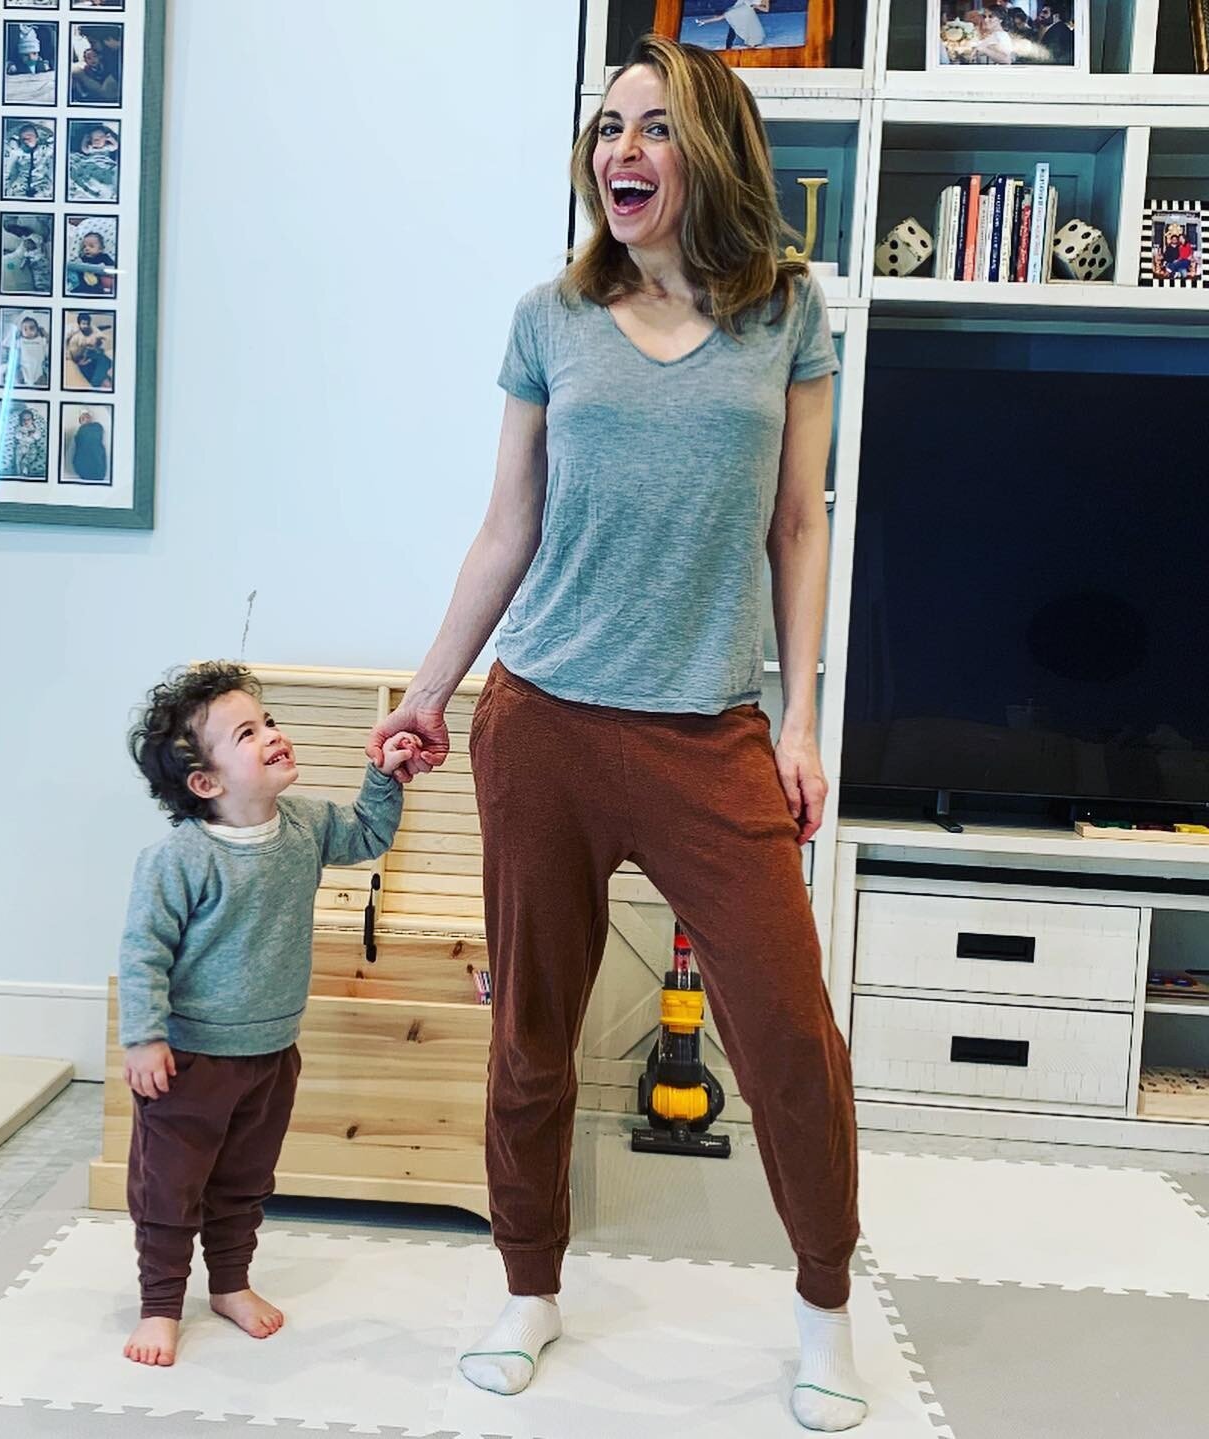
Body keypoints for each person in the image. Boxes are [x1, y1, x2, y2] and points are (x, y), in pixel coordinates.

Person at [366, 34, 863, 1433]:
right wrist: (427, 691)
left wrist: (802, 720)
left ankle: (823, 1303)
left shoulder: (788, 316)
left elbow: (800, 524)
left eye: (653, 128)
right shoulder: (551, 316)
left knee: (787, 1033)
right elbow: (506, 526)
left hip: (710, 734)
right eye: (606, 129)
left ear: (713, 151)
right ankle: (529, 1286)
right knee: (531, 1034)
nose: (619, 154)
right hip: (548, 728)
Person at [117, 662, 419, 1367]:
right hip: (188, 1062)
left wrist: (387, 774)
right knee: (169, 1189)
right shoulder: (179, 860)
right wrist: (145, 1036)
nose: (273, 735)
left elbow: (369, 832)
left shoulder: (306, 824)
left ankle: (229, 1283)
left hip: (272, 1052)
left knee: (245, 1181)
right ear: (206, 782)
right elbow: (142, 952)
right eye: (248, 732)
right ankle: (161, 1304)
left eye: (269, 721)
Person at [3, 122, 54, 200]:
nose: (27, 141)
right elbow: (8, 173)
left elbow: (52, 135)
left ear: (37, 137)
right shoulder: (17, 153)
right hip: (20, 191)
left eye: (29, 137)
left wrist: (37, 126)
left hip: (42, 190)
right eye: (24, 139)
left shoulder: (46, 151)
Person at [696, 0, 770, 49]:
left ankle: (703, 21)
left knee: (753, 33)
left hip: (748, 14)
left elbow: (766, 10)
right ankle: (703, 21)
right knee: (726, 16)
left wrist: (756, 6)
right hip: (741, 11)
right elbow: (739, 3)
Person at [67, 311, 113, 388]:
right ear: (79, 324)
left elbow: (99, 337)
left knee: (103, 360)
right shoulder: (75, 334)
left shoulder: (91, 330)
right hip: (82, 360)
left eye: (87, 324)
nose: (86, 326)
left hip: (91, 358)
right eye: (83, 324)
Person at [6, 313, 50, 387]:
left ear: (37, 329)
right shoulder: (20, 341)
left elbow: (49, 341)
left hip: (38, 369)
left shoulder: (40, 340)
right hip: (24, 368)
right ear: (21, 331)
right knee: (18, 378)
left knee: (42, 381)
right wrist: (16, 335)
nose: (28, 331)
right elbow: (10, 346)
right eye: (25, 329)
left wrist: (44, 332)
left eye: (32, 328)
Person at [70, 410, 108, 480]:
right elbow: (79, 445)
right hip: (84, 461)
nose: (85, 419)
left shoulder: (97, 426)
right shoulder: (80, 431)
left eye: (87, 417)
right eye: (83, 418)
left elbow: (98, 436)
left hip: (96, 459)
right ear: (80, 422)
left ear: (90, 418)